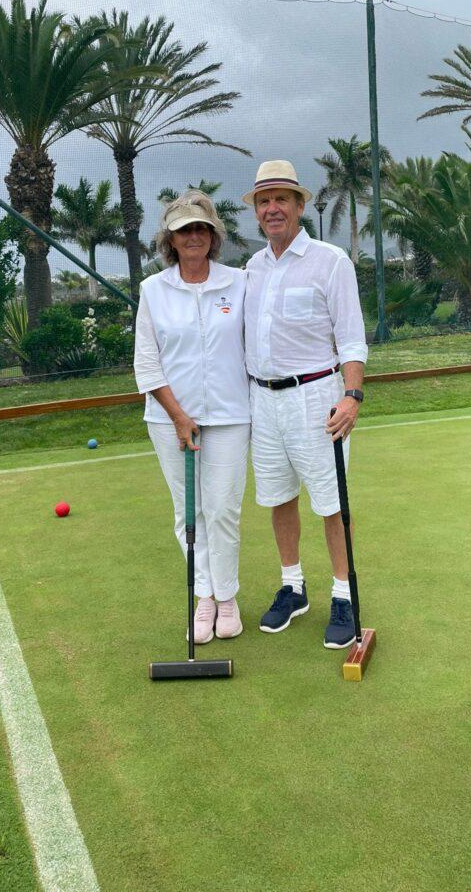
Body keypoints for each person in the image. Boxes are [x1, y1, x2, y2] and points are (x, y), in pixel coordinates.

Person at [243, 160, 368, 649]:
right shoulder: (251, 269)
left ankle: (343, 594)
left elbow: (352, 340)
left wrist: (352, 395)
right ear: (256, 211)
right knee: (278, 497)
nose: (273, 208)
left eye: (281, 199)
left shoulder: (331, 261)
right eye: (264, 201)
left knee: (331, 504)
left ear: (299, 205)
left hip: (317, 397)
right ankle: (293, 588)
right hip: (263, 400)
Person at [134, 191, 250, 643]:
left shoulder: (239, 282)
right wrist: (179, 415)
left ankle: (228, 597)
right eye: (185, 230)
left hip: (229, 415)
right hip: (168, 420)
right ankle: (204, 596)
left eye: (201, 228)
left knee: (222, 509)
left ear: (214, 235)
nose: (194, 236)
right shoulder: (153, 290)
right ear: (171, 239)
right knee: (190, 513)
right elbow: (147, 363)